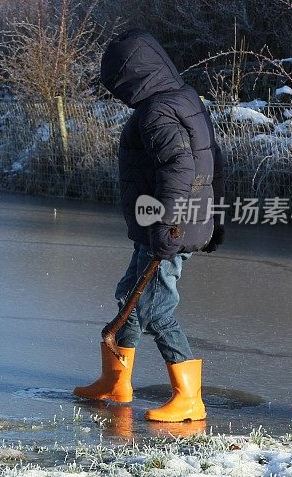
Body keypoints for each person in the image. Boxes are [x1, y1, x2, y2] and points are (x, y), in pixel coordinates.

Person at [73, 29, 224, 422]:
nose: (118, 95)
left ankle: (189, 399)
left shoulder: (158, 110)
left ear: (135, 75)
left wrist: (168, 227)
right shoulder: (183, 98)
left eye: (119, 85)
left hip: (171, 224)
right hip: (173, 221)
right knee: (131, 297)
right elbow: (211, 161)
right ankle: (116, 383)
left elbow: (180, 169)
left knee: (156, 309)